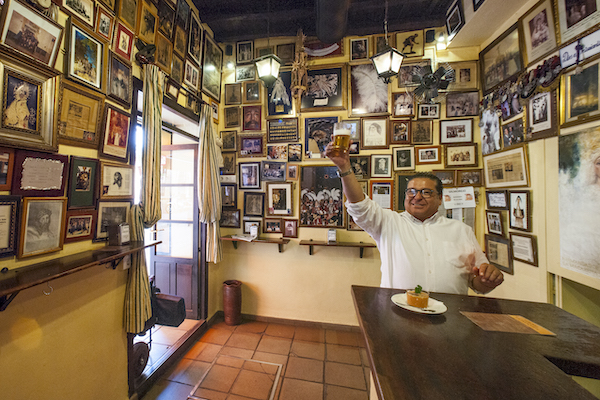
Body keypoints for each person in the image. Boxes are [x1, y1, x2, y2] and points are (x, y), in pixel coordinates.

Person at [325, 142, 504, 294]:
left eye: (426, 192)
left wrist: (489, 280)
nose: (417, 197)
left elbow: (477, 283)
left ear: (440, 198)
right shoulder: (389, 223)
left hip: (450, 322)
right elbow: (359, 206)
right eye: (411, 191)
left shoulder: (461, 231)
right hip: (396, 315)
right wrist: (344, 168)